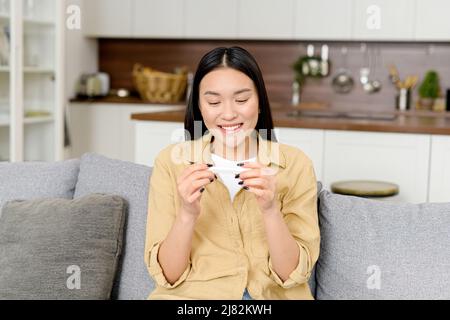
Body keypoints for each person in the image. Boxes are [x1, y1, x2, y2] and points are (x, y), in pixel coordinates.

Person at [144, 46, 320, 300]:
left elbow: (292, 274)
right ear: (200, 107)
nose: (228, 114)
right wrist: (186, 213)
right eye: (214, 102)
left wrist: (270, 210)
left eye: (241, 100)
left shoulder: (295, 165)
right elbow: (168, 276)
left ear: (259, 102)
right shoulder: (171, 163)